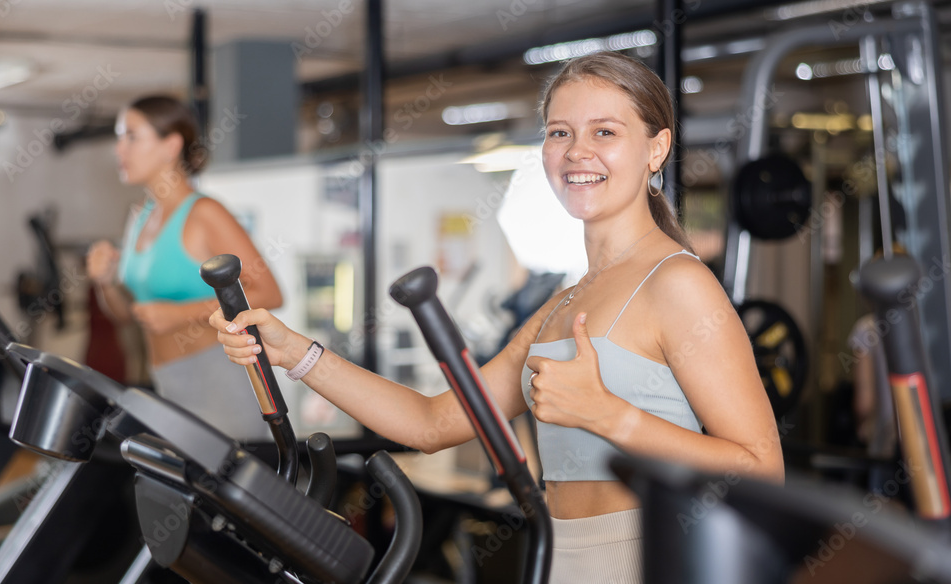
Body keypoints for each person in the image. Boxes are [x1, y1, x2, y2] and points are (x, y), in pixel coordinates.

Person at [210, 52, 783, 583]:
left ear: (656, 149)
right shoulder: (564, 301)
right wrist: (297, 354)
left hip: (643, 553)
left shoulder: (677, 283)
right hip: (557, 552)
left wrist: (612, 417)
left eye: (604, 132)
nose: (577, 151)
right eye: (560, 133)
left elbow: (761, 471)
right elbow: (432, 422)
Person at [88, 95, 283, 442]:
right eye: (119, 138)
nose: (119, 150)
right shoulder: (140, 216)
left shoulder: (205, 213)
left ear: (171, 145)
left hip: (217, 379)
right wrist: (104, 283)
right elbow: (130, 314)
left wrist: (181, 315)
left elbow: (269, 293)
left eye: (131, 137)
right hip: (168, 382)